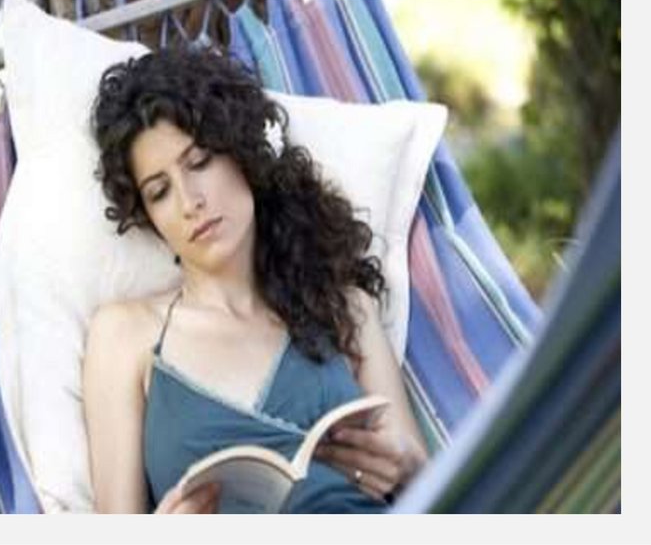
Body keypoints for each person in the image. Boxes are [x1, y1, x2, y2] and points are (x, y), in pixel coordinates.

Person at [82, 46, 428, 514]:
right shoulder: (125, 335)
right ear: (149, 218)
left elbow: (431, 486)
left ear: (241, 153)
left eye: (199, 162)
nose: (189, 202)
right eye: (159, 192)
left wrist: (406, 466)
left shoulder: (344, 306)